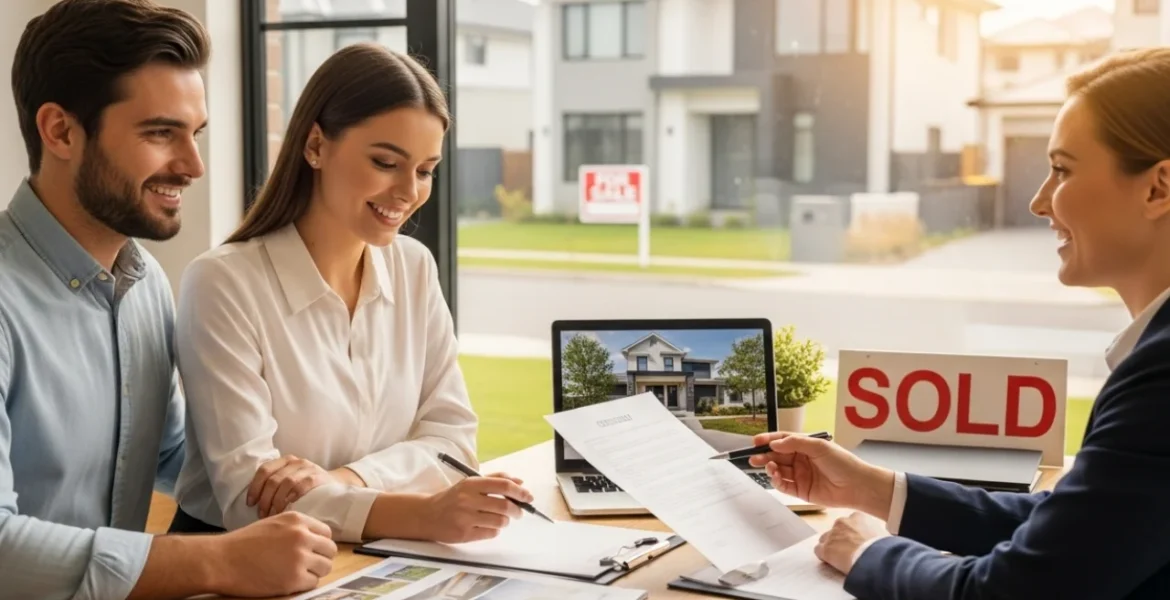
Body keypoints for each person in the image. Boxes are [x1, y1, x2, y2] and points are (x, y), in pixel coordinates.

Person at [751, 47, 1170, 600]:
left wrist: (867, 552)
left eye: (1062, 170)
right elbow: (1081, 526)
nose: (1039, 202)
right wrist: (874, 489)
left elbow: (1015, 591)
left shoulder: (1160, 376)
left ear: (1157, 187)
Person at [0, 1, 342, 599]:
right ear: (59, 131)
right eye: (161, 132)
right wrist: (220, 562)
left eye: (195, 133)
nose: (193, 165)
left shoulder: (145, 284)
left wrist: (279, 474)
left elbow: (170, 451)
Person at [170, 42, 534, 544]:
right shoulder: (223, 283)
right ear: (316, 146)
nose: (409, 191)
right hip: (236, 560)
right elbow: (248, 499)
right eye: (386, 162)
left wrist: (347, 480)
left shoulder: (414, 267)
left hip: (372, 552)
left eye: (426, 170)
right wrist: (422, 514)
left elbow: (452, 446)